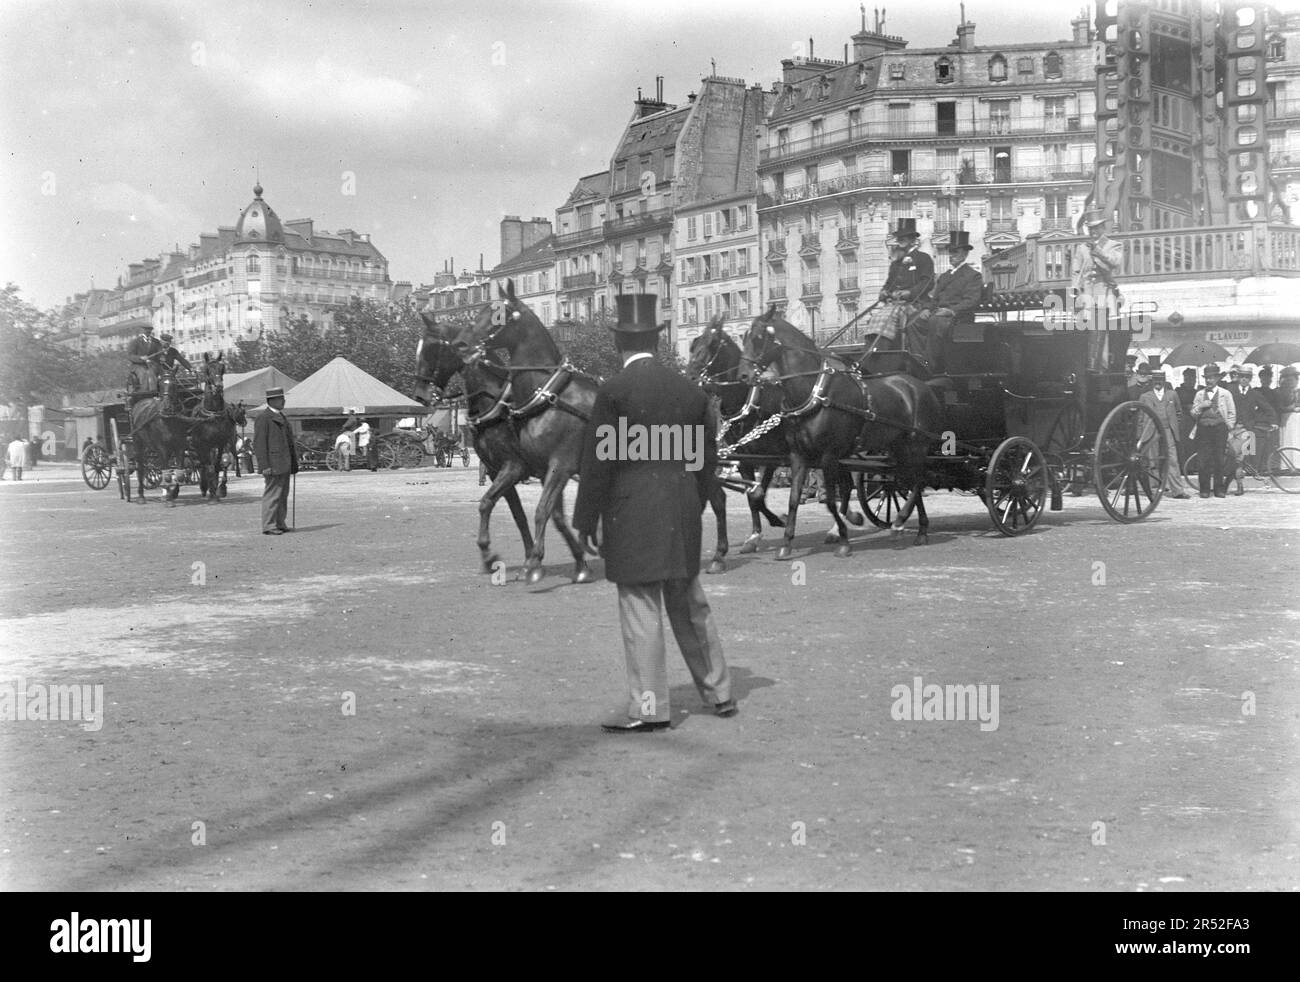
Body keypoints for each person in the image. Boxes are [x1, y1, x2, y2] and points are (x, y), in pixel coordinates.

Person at [574, 293, 734, 733]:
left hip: (632, 515)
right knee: (690, 603)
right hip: (681, 509)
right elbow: (704, 463)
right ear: (658, 342)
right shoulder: (690, 392)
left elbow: (598, 465)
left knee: (642, 609)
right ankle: (719, 693)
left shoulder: (614, 392)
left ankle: (649, 708)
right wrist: (694, 506)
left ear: (617, 344)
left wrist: (586, 521)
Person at [904, 230, 983, 373]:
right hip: (938, 313)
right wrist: (927, 309)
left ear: (965, 254)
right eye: (950, 252)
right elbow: (934, 299)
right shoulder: (945, 276)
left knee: (935, 322)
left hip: (959, 317)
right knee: (913, 322)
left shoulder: (973, 275)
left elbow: (971, 300)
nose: (951, 256)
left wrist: (952, 310)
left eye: (955, 252)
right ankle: (919, 359)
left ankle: (931, 366)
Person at [865, 219, 934, 354]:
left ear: (913, 239)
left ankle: (882, 354)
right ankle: (870, 353)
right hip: (894, 304)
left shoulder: (923, 258)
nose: (900, 240)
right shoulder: (896, 262)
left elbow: (927, 283)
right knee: (875, 318)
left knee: (887, 318)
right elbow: (889, 283)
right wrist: (884, 291)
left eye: (904, 237)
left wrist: (909, 292)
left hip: (915, 303)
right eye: (899, 238)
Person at [1138, 370, 1192, 498]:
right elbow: (1140, 418)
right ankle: (1155, 489)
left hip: (1168, 430)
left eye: (1160, 380)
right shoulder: (1145, 396)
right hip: (1151, 431)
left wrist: (1174, 427)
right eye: (1155, 380)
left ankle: (1178, 491)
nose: (1158, 383)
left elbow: (1178, 413)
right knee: (1152, 460)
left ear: (1164, 380)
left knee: (1172, 459)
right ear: (1152, 381)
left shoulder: (1172, 395)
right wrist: (1140, 435)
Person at [252, 386, 298, 534]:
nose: (283, 401)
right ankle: (269, 525)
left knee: (282, 494)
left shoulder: (282, 417)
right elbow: (259, 444)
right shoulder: (263, 418)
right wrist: (264, 465)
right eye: (280, 398)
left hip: (284, 462)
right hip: (273, 464)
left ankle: (280, 523)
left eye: (283, 398)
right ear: (271, 401)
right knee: (272, 495)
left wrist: (294, 463)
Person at [1226, 366, 1277, 492]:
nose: (1244, 379)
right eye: (1242, 376)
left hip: (1246, 429)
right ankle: (1229, 483)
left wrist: (1274, 422)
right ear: (1238, 377)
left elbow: (1268, 408)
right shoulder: (1230, 390)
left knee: (1239, 457)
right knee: (1232, 456)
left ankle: (1238, 485)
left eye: (1247, 377)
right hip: (1230, 428)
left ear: (1250, 379)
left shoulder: (1255, 394)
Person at [1189, 364, 1236, 498]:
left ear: (1217, 378)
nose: (1209, 381)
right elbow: (1193, 413)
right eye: (1207, 378)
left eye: (1211, 378)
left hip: (1219, 430)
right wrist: (1201, 406)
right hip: (1203, 430)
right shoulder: (1199, 394)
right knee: (1203, 460)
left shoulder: (1225, 394)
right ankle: (1204, 489)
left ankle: (1219, 489)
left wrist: (1228, 427)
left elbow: (1232, 413)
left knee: (1219, 460)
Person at [126, 323, 164, 398]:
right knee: (144, 373)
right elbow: (130, 356)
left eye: (149, 330)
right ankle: (145, 393)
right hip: (138, 365)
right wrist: (140, 358)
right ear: (142, 330)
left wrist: (162, 358)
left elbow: (160, 354)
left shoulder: (156, 342)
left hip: (153, 364)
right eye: (146, 330)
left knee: (155, 372)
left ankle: (156, 392)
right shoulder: (135, 342)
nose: (148, 332)